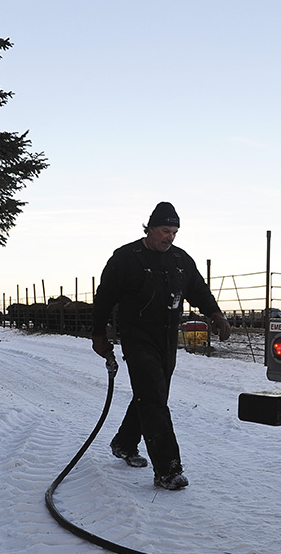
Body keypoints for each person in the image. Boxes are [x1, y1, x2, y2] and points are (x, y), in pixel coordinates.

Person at [91, 202, 232, 490]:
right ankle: (168, 470)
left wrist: (216, 315)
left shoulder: (181, 260)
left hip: (167, 337)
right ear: (150, 228)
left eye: (175, 232)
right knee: (154, 397)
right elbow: (104, 297)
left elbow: (199, 290)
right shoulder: (126, 258)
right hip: (137, 337)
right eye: (166, 230)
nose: (170, 237)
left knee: (151, 394)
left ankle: (125, 443)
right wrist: (98, 335)